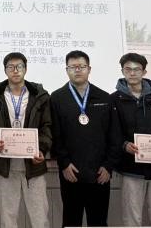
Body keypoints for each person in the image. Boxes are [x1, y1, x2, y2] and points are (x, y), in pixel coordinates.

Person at [50, 50, 121, 227]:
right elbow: (55, 135)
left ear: (89, 69)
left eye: (81, 66)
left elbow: (114, 135)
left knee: (98, 221)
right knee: (71, 220)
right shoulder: (57, 98)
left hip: (100, 172)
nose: (77, 70)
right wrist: (64, 163)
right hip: (70, 172)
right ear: (66, 70)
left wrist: (108, 166)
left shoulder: (104, 97)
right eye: (73, 67)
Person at [0, 52, 52, 228]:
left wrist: (42, 149)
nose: (15, 70)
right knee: (8, 217)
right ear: (5, 70)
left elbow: (47, 126)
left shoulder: (40, 96)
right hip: (6, 165)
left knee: (40, 217)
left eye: (19, 66)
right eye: (10, 67)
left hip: (34, 164)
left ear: (25, 69)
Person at [110, 52, 151, 227]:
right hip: (130, 169)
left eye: (137, 69)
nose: (132, 73)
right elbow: (112, 132)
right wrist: (124, 145)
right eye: (127, 69)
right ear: (122, 71)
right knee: (132, 218)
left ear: (144, 72)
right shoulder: (114, 99)